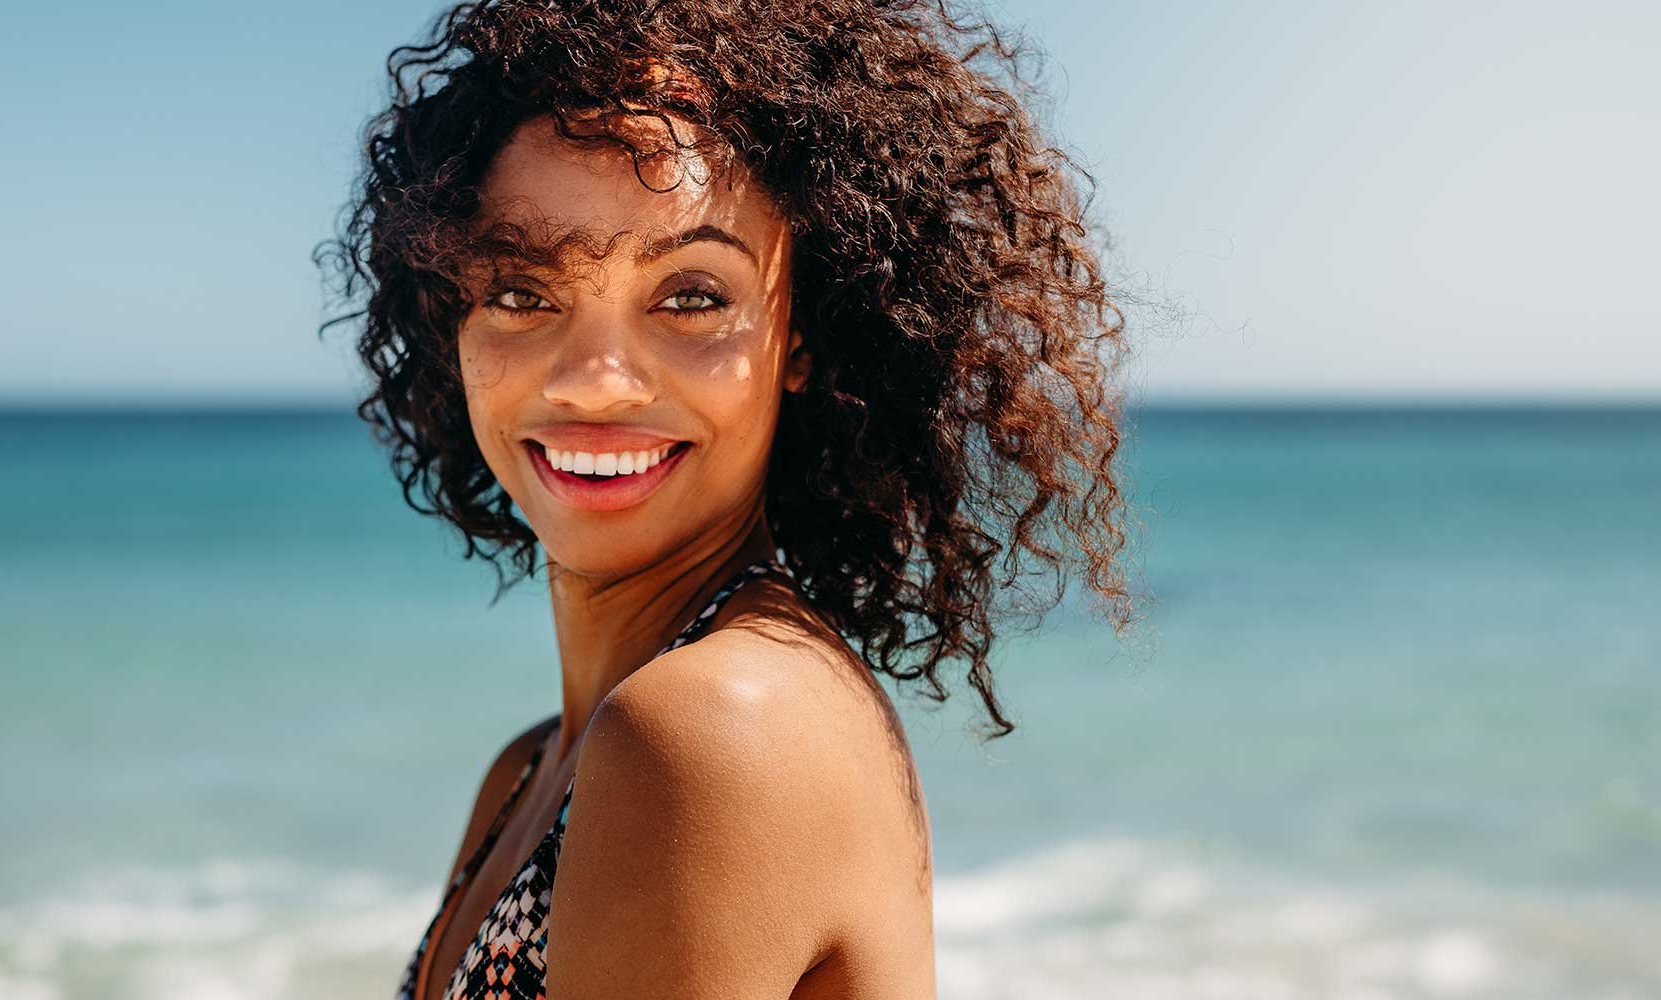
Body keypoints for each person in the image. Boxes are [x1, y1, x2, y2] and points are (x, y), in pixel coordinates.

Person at [317, 1, 1141, 996]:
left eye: (692, 296)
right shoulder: (532, 771)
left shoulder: (706, 734)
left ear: (800, 333)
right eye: (522, 291)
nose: (595, 380)